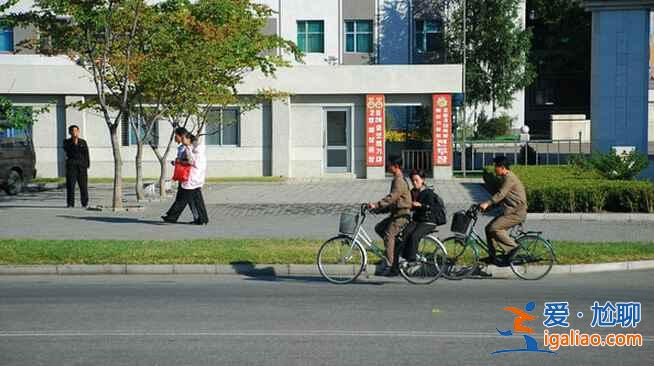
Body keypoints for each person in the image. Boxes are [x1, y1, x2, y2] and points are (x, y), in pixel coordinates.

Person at [479, 156, 528, 265]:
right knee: (488, 229)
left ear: (502, 167)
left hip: (516, 213)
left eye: (495, 166)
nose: (494, 169)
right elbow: (503, 198)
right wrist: (487, 208)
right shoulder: (505, 177)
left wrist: (487, 203)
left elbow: (501, 194)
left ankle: (513, 247)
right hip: (510, 211)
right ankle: (493, 256)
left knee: (494, 228)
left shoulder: (509, 177)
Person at [368, 156, 412, 276]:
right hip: (396, 213)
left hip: (401, 215)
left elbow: (392, 197)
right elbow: (393, 201)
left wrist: (376, 204)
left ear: (396, 166)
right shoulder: (397, 179)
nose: (387, 167)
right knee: (379, 228)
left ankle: (392, 265)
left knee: (388, 235)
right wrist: (377, 210)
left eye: (389, 165)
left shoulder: (399, 180)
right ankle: (392, 251)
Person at [402, 169, 446, 263]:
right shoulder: (413, 192)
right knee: (405, 232)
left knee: (414, 236)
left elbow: (433, 207)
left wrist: (421, 205)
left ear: (422, 180)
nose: (414, 183)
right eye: (412, 181)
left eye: (416, 180)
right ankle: (404, 256)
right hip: (418, 220)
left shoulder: (428, 192)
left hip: (429, 220)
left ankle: (411, 259)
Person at [162, 127, 189, 223]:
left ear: (181, 136)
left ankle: (171, 216)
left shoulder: (187, 147)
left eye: (176, 136)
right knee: (184, 198)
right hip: (182, 175)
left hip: (187, 177)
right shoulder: (181, 147)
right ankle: (171, 216)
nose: (174, 138)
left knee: (184, 198)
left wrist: (178, 161)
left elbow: (189, 161)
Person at [183, 133, 208, 225]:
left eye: (184, 139)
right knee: (198, 199)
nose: (183, 141)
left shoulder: (193, 150)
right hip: (198, 177)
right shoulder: (200, 148)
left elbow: (191, 161)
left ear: (189, 139)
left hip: (192, 178)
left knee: (193, 200)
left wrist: (187, 151)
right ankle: (203, 218)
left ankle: (199, 219)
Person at [63, 125, 90, 208]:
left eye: (76, 131)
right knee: (71, 185)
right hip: (71, 166)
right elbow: (68, 151)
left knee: (83, 186)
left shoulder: (83, 142)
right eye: (73, 131)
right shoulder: (66, 142)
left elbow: (86, 154)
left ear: (78, 131)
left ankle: (84, 203)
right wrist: (74, 142)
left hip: (82, 166)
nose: (75, 132)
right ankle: (70, 203)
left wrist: (87, 164)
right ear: (70, 132)